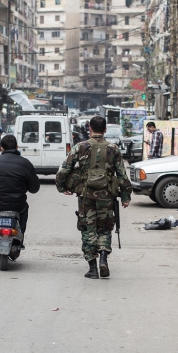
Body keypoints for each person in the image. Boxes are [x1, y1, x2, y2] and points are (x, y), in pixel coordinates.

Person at [55, 116, 132, 279]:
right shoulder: (113, 149)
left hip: (86, 196)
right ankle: (103, 258)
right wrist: (125, 196)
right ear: (105, 130)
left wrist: (62, 187)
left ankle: (92, 268)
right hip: (107, 196)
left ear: (89, 128)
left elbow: (64, 170)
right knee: (104, 227)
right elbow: (122, 175)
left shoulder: (80, 147)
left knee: (88, 228)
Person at [0, 135, 40, 247]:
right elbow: (34, 188)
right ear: (17, 146)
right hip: (17, 205)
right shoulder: (25, 163)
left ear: (1, 147)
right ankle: (19, 237)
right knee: (24, 209)